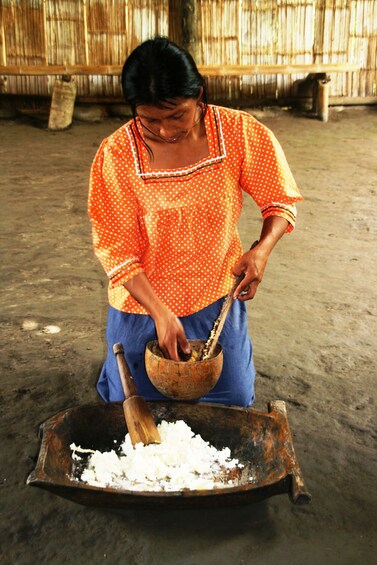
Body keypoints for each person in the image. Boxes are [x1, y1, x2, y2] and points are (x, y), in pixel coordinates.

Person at [88, 36, 302, 408]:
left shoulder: (238, 132)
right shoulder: (117, 153)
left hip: (215, 298)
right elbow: (115, 248)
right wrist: (161, 314)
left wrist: (261, 252)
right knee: (130, 403)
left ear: (198, 95)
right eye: (150, 120)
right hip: (141, 305)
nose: (167, 130)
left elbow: (280, 200)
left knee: (231, 400)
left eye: (177, 115)